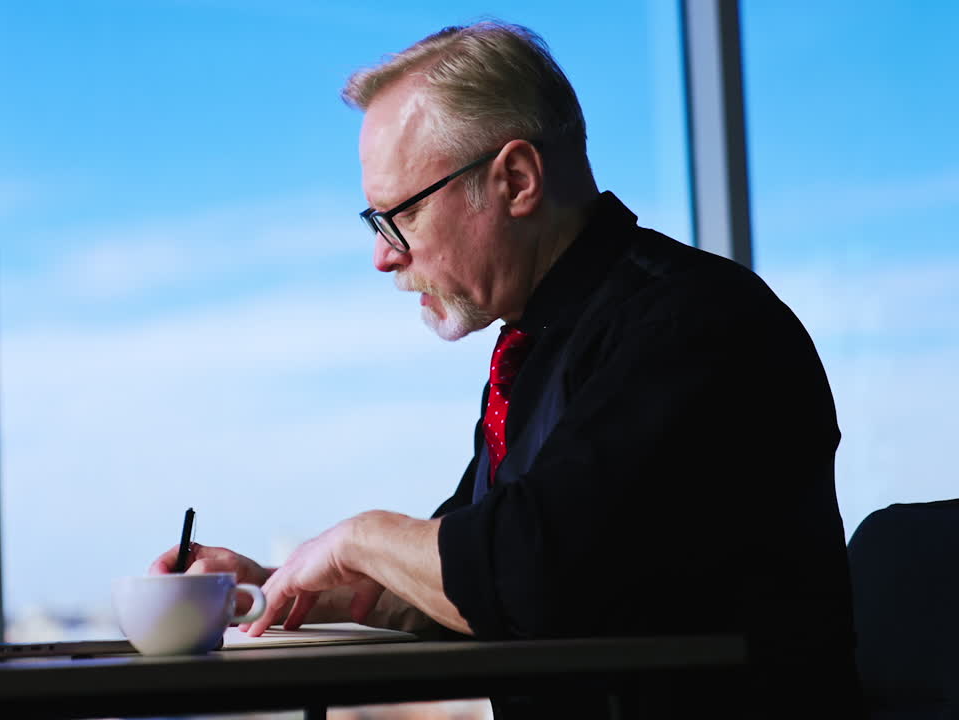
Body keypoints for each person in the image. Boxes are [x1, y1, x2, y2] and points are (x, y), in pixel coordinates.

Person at [150, 21, 861, 718]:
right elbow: (466, 585)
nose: (384, 256)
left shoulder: (691, 324)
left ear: (516, 180)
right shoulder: (541, 344)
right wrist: (274, 588)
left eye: (399, 215)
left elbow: (528, 574)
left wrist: (359, 537)